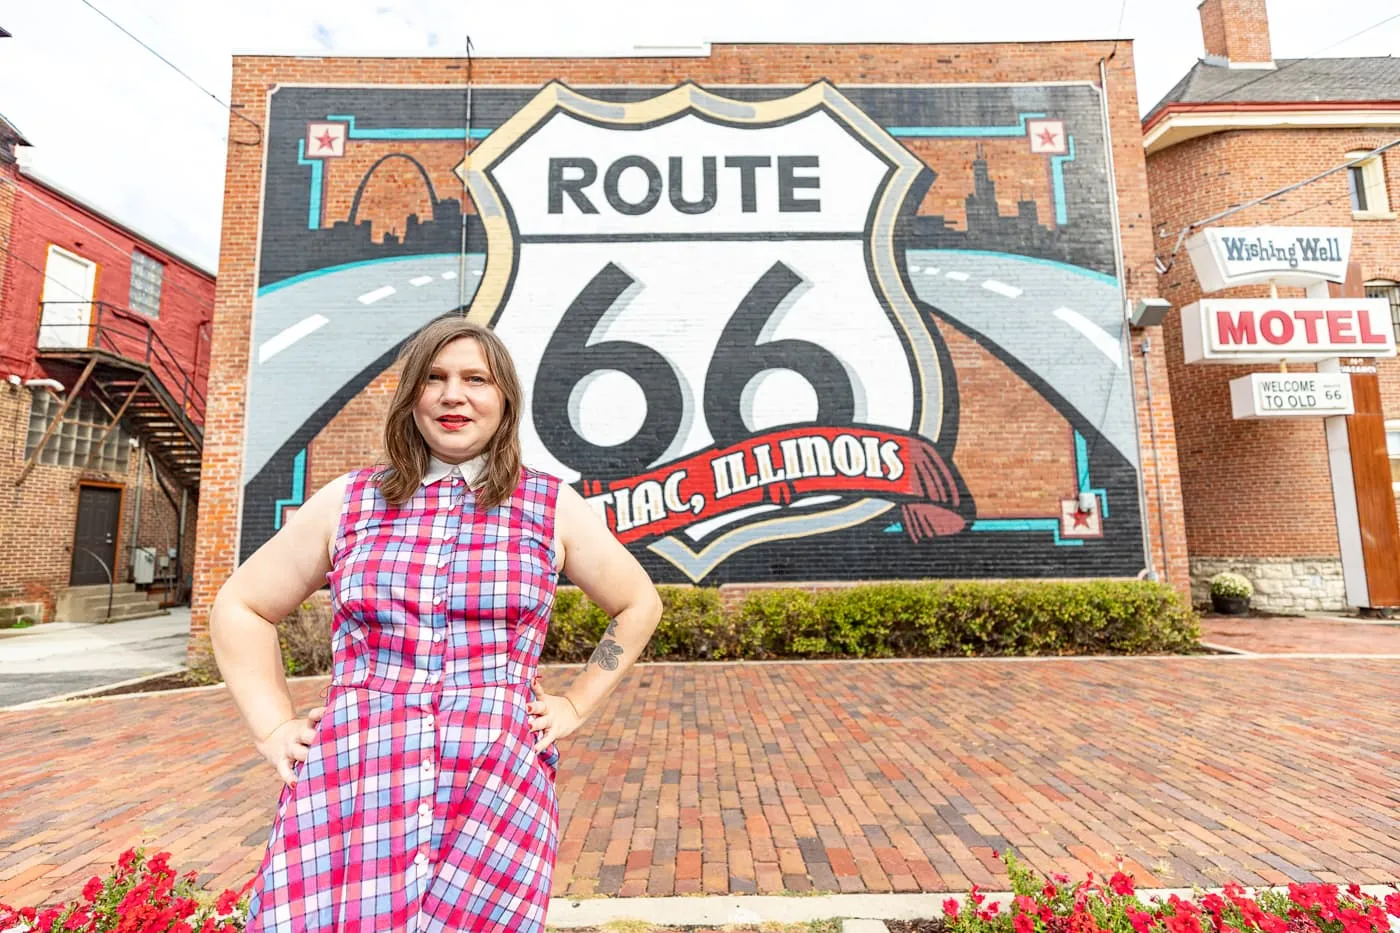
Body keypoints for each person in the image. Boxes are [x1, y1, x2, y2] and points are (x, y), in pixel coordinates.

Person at [210, 315, 663, 932]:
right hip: (354, 779)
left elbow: (638, 604)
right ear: (410, 398)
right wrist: (272, 727)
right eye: (435, 377)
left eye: (476, 378)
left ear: (503, 399)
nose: (454, 394)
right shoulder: (352, 500)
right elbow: (242, 607)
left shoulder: (549, 505)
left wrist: (578, 705)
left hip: (495, 784)